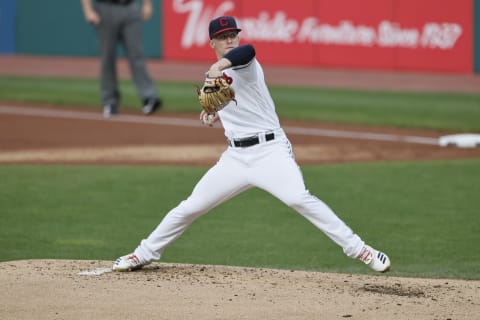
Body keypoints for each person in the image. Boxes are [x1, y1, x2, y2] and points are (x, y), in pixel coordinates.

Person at [112, 16, 391, 273]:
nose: (230, 40)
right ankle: (143, 254)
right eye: (223, 36)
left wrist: (218, 66)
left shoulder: (244, 63)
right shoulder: (214, 78)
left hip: (270, 152)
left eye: (233, 34)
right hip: (235, 158)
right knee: (191, 206)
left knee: (298, 197)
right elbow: (226, 102)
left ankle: (361, 250)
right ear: (212, 43)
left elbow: (248, 51)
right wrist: (212, 112)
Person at [80, 0, 162, 117]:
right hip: (105, 7)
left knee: (136, 54)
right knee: (107, 57)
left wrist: (147, 4)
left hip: (130, 6)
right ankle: (110, 101)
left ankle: (149, 96)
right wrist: (88, 10)